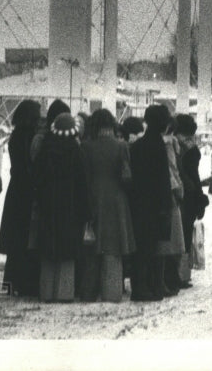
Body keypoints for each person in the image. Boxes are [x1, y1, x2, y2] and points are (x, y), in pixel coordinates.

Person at [79, 108, 135, 302]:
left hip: (92, 197)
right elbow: (127, 176)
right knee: (113, 249)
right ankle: (112, 292)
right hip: (116, 200)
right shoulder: (121, 146)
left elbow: (83, 176)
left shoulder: (86, 146)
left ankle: (88, 292)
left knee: (91, 249)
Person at [34, 112, 90, 302]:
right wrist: (85, 211)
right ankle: (64, 292)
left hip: (48, 206)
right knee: (67, 252)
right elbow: (82, 184)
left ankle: (46, 291)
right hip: (70, 208)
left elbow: (38, 180)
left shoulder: (45, 151)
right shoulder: (76, 152)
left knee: (48, 251)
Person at [128, 104, 173, 301]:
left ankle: (140, 286)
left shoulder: (137, 146)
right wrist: (166, 205)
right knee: (153, 247)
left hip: (138, 202)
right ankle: (150, 288)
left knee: (141, 246)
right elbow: (163, 180)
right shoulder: (159, 147)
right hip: (156, 204)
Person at [0, 100, 42, 296]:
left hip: (16, 189)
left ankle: (11, 282)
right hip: (27, 190)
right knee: (26, 237)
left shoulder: (15, 136)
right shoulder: (29, 136)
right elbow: (30, 163)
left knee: (16, 240)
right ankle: (25, 283)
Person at [177, 114, 208, 284]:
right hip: (188, 194)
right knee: (186, 233)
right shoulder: (190, 147)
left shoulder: (173, 143)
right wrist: (200, 198)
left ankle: (174, 273)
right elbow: (194, 176)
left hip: (175, 192)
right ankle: (183, 274)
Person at [158, 116, 187, 295]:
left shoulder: (167, 143)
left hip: (160, 195)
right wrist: (179, 190)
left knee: (167, 241)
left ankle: (168, 278)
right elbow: (172, 170)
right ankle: (170, 278)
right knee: (173, 240)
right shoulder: (168, 145)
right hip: (170, 196)